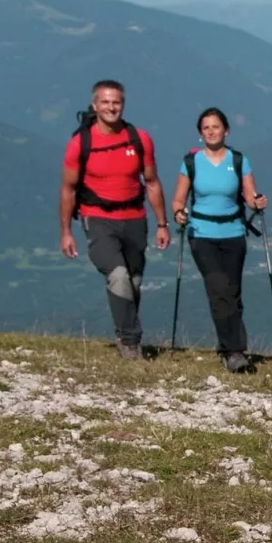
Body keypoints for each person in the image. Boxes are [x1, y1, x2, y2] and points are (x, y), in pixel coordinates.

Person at [59, 80, 170, 359]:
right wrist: (66, 232)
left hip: (134, 218)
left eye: (116, 102)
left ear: (123, 105)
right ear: (95, 105)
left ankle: (123, 332)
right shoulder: (80, 144)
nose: (111, 107)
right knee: (118, 277)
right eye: (105, 102)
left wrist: (161, 223)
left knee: (133, 281)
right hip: (97, 219)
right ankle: (131, 343)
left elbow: (153, 182)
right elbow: (68, 189)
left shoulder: (139, 139)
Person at [171, 107, 268, 373]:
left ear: (226, 130)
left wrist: (257, 202)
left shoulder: (239, 161)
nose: (211, 131)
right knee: (219, 289)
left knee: (232, 293)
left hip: (234, 233)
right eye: (206, 128)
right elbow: (178, 199)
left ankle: (227, 347)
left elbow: (249, 196)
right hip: (202, 235)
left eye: (216, 127)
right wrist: (179, 213)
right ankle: (235, 352)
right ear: (201, 134)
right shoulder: (191, 163)